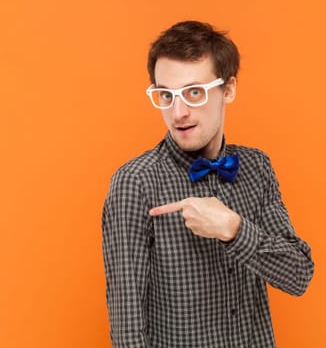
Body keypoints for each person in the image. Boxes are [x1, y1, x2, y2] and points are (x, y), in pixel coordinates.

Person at [102, 20, 314, 348]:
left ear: (227, 89)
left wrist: (234, 230)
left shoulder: (256, 168)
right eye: (165, 95)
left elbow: (299, 275)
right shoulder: (135, 183)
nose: (179, 112)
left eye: (194, 92)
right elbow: (128, 328)